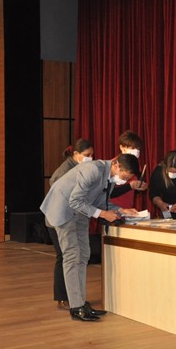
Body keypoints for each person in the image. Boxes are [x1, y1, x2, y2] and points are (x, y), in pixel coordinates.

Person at [40, 153, 140, 321]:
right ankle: (76, 307)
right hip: (63, 209)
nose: (124, 181)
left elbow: (100, 201)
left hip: (80, 212)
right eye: (125, 177)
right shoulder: (93, 170)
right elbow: (75, 201)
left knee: (84, 254)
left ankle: (80, 302)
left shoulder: (109, 177)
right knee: (72, 256)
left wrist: (121, 210)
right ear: (116, 165)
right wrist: (103, 214)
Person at [46, 138, 94, 310]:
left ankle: (75, 297)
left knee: (73, 257)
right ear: (75, 154)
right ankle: (62, 298)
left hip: (71, 218)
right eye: (87, 155)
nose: (90, 158)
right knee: (64, 257)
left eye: (92, 155)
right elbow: (58, 193)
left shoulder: (81, 168)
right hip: (58, 219)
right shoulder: (64, 170)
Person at [110, 130, 148, 207]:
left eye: (138, 148)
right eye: (132, 148)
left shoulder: (136, 164)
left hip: (128, 207)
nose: (136, 151)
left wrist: (140, 186)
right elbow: (109, 192)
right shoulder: (114, 164)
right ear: (122, 147)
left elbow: (134, 188)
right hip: (112, 208)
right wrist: (130, 186)